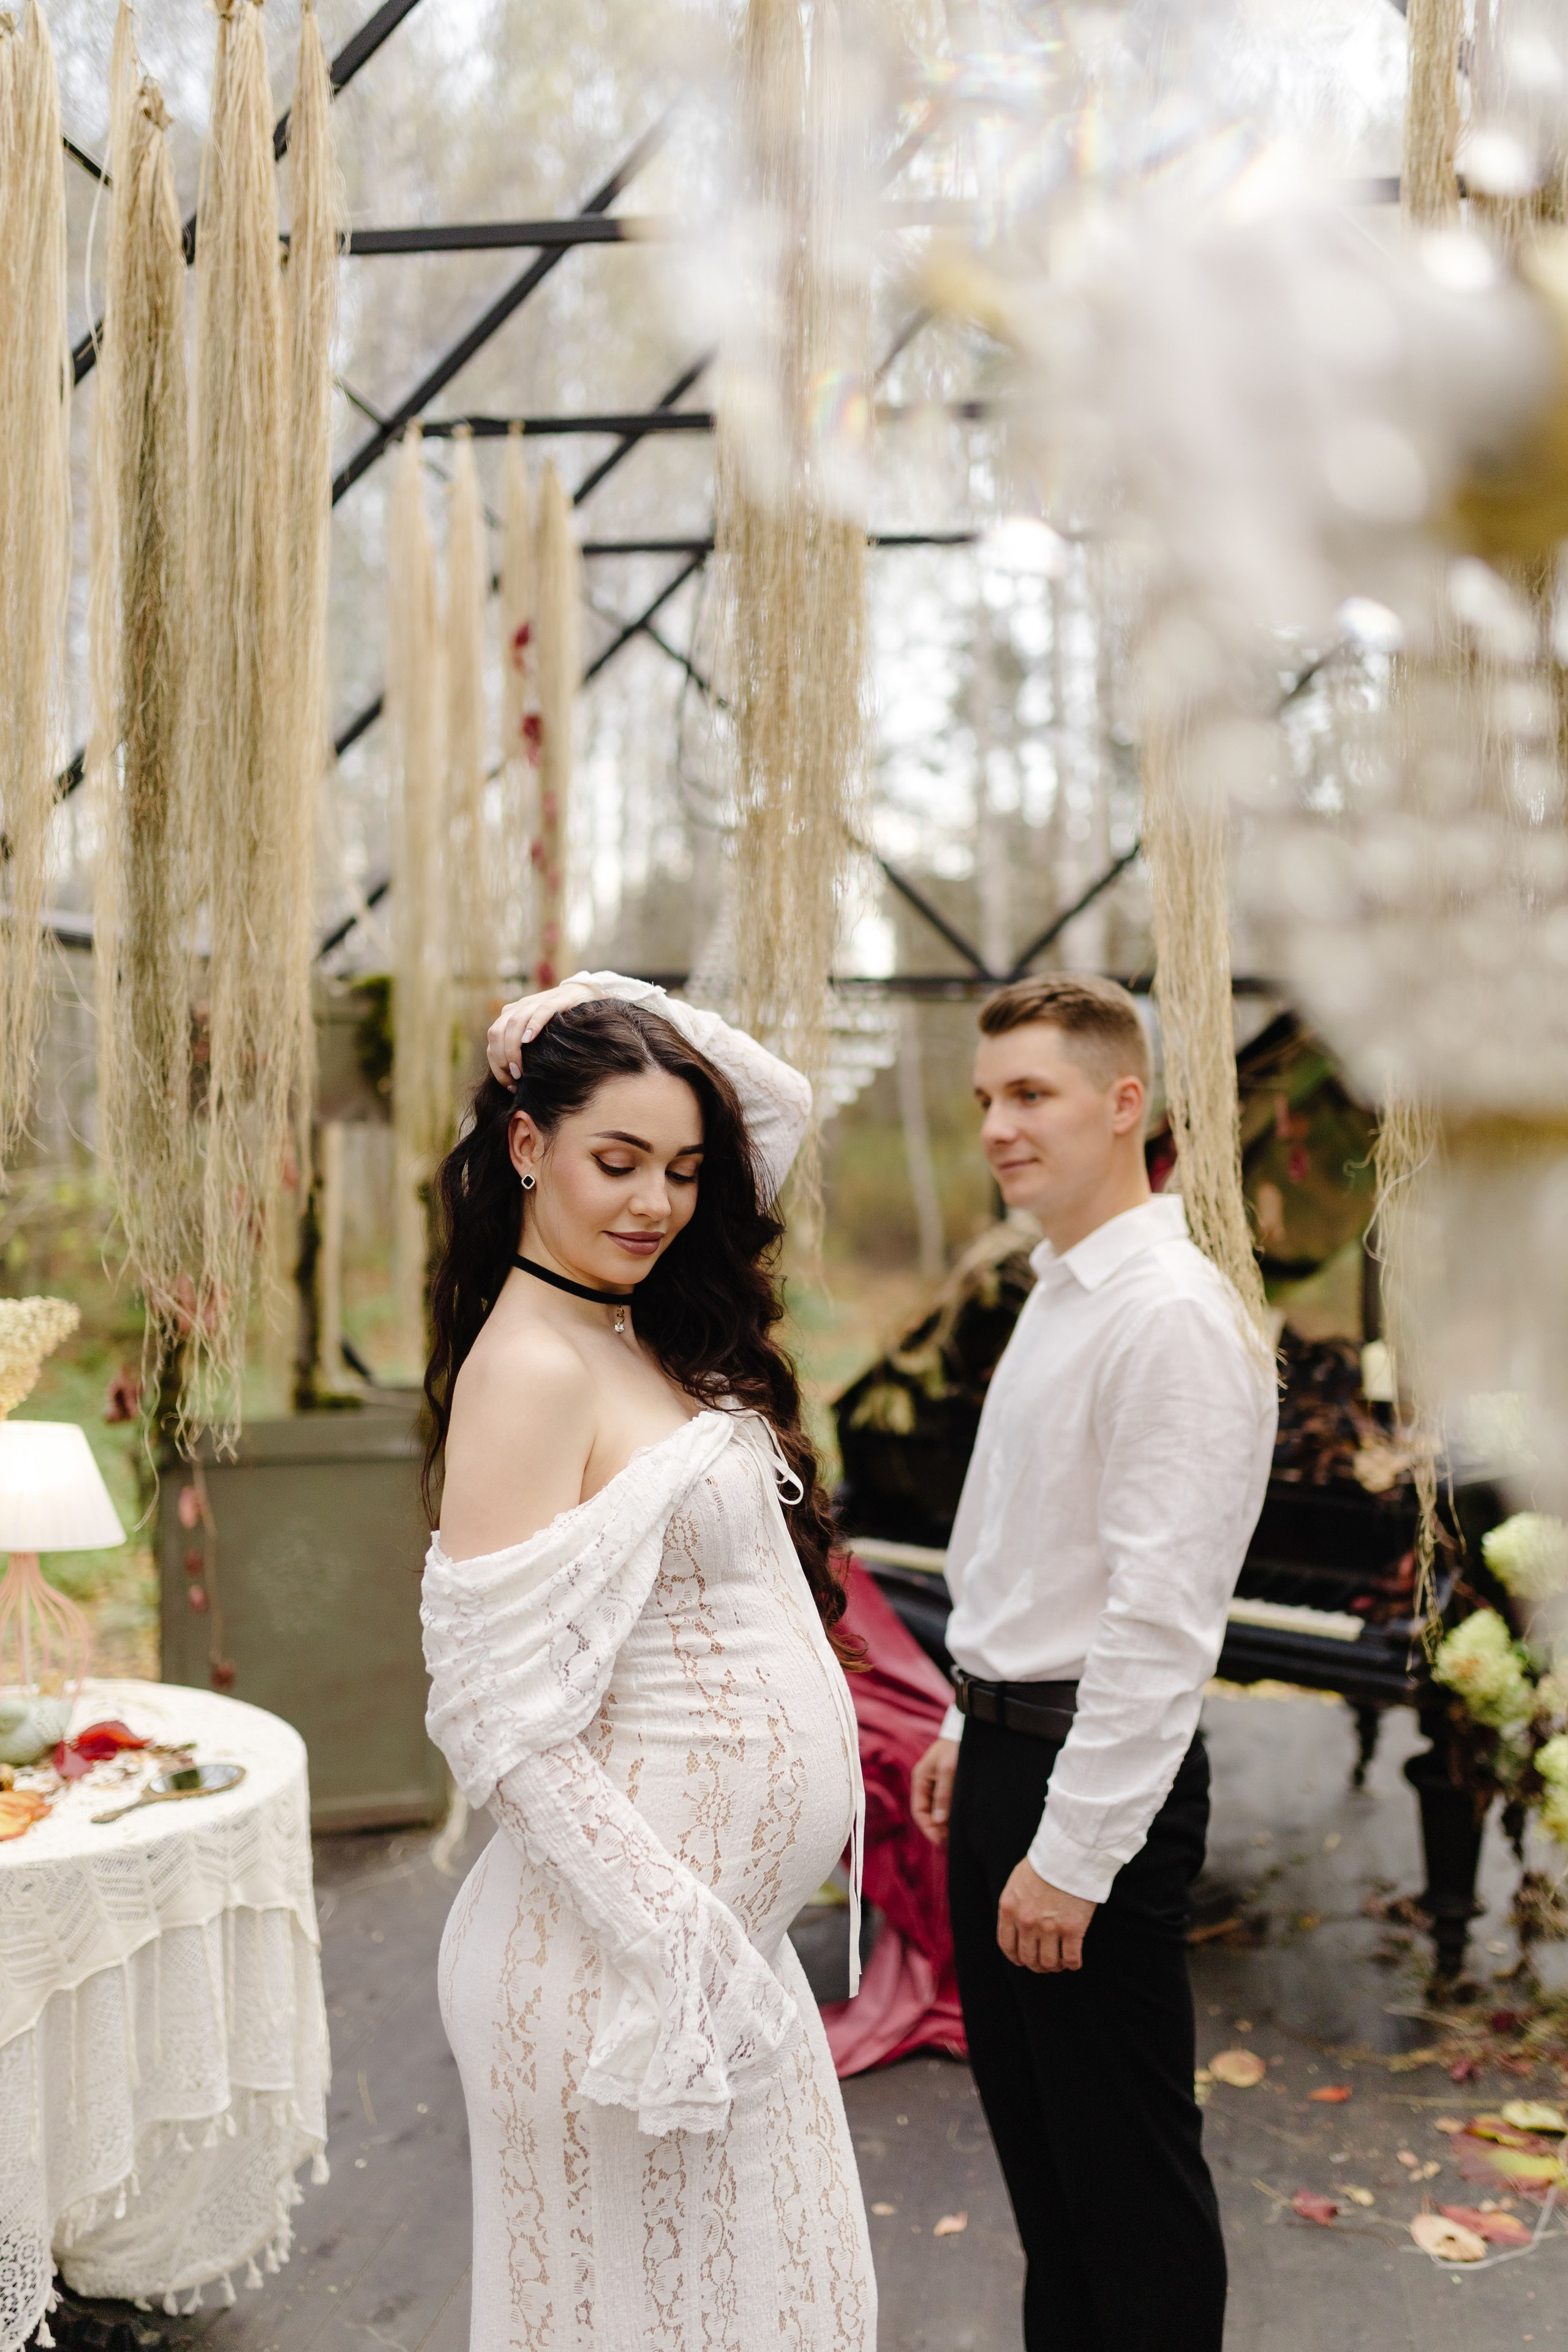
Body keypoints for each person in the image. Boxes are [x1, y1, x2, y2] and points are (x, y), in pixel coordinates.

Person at [420, 971, 874, 2351]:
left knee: (786, 2308)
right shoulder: (531, 1367)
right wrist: (679, 1947)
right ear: (523, 1146)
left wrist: (593, 1001)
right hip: (622, 1975)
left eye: (679, 1171)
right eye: (614, 1162)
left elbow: (777, 1107)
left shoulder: (630, 1327)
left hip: (710, 1956)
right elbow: (495, 1723)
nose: (654, 1203)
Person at [910, 974, 1276, 2352]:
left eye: (1030, 1095)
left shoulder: (1168, 1314)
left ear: (1125, 1105)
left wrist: (1073, 1849)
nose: (998, 1127)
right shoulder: (1058, 1288)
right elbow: (1030, 1552)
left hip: (1088, 1783)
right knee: (1048, 2182)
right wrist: (966, 1726)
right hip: (1010, 1753)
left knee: (1122, 2185)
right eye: (984, 1101)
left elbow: (1158, 1620)